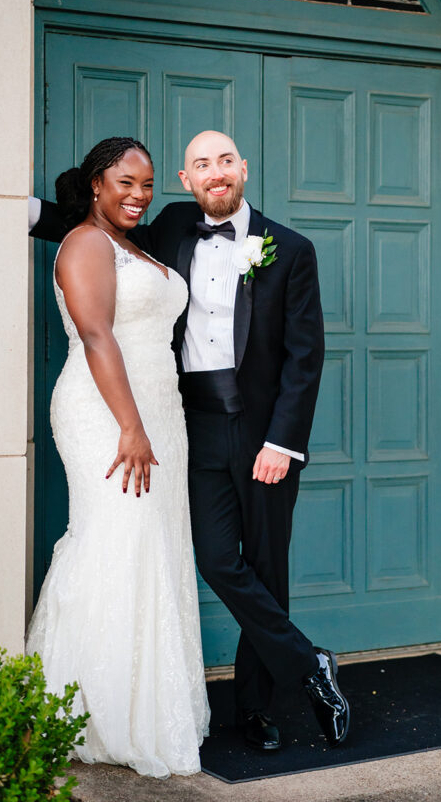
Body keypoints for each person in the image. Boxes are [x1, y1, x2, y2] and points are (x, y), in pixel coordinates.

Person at [31, 130, 351, 752]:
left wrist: (282, 442)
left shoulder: (290, 248)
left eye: (225, 161)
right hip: (188, 421)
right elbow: (87, 236)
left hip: (262, 434)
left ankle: (258, 708)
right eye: (202, 165)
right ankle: (313, 663)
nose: (215, 173)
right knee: (214, 559)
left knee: (264, 564)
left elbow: (304, 356)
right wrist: (9, 209)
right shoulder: (169, 223)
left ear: (243, 169)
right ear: (188, 180)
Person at [26, 136, 210, 778]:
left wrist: (150, 422)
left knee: (151, 546)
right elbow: (98, 332)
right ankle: (94, 711)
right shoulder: (84, 243)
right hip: (108, 415)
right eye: (125, 182)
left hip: (159, 415)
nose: (139, 194)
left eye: (148, 184)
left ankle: (143, 706)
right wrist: (130, 426)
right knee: (114, 539)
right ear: (97, 183)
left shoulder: (138, 246)